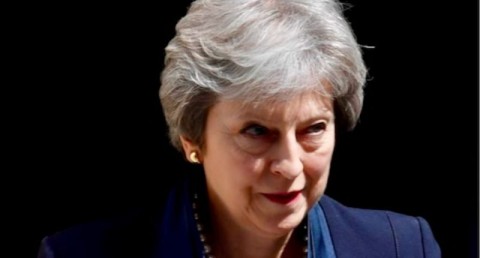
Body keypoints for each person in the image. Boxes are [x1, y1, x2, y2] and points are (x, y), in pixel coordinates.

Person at [37, 0, 442, 257]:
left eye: (313, 128)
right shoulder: (79, 253)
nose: (291, 166)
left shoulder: (402, 246)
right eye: (256, 131)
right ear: (193, 140)